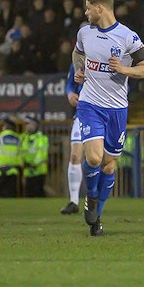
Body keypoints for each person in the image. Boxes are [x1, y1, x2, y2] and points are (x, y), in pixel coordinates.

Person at [72, 0, 144, 236]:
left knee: (109, 166)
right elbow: (77, 53)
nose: (86, 12)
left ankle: (97, 215)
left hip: (117, 109)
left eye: (88, 8)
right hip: (90, 104)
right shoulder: (85, 33)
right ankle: (92, 198)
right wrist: (80, 69)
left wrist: (125, 70)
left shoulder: (127, 37)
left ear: (100, 8)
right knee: (94, 158)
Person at [60, 63, 84, 215]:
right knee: (75, 156)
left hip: (105, 113)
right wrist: (70, 94)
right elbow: (70, 85)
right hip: (82, 114)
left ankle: (96, 200)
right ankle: (74, 201)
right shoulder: (78, 61)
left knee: (102, 160)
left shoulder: (109, 57)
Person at [0, 117, 22, 197]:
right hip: (12, 170)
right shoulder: (18, 139)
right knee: (10, 195)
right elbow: (20, 152)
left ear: (4, 127)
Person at [21, 117, 49, 197]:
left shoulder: (42, 138)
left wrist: (33, 164)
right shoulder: (24, 138)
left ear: (34, 125)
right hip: (27, 171)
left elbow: (42, 153)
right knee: (28, 194)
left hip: (38, 170)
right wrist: (24, 162)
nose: (26, 126)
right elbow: (22, 152)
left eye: (28, 124)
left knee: (38, 193)